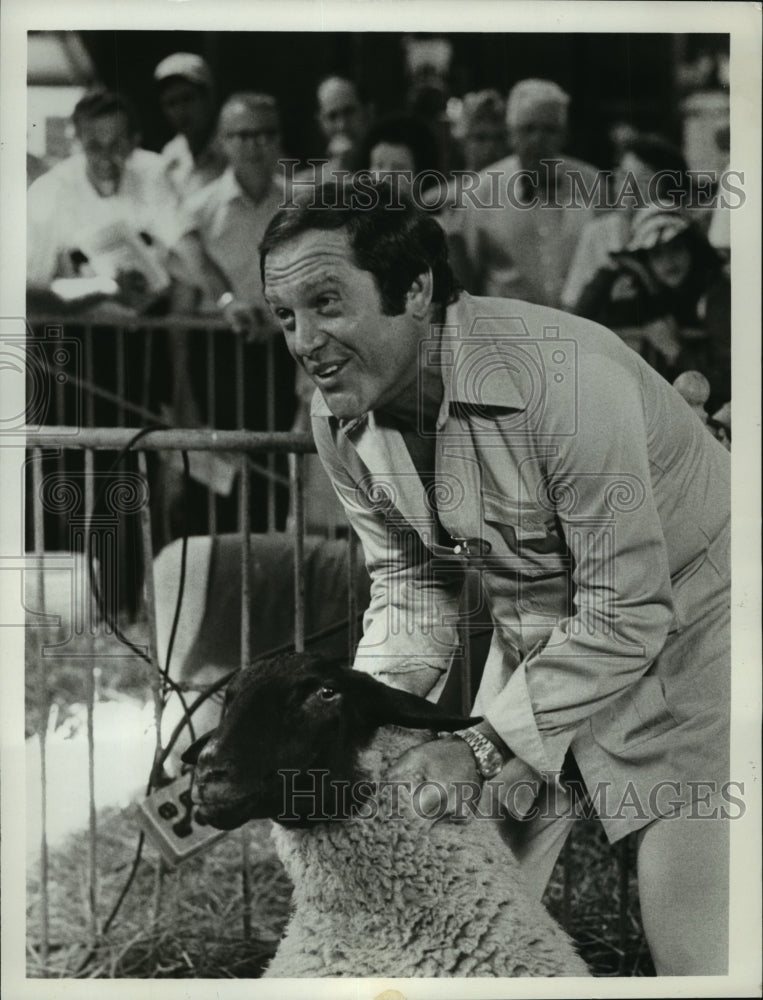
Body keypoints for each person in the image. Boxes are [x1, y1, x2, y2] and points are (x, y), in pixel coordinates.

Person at [259, 178, 731, 976]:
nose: (305, 341)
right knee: (452, 897)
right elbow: (412, 591)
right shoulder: (337, 418)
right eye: (284, 315)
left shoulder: (565, 378)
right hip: (547, 641)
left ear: (414, 288)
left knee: (693, 949)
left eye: (327, 304)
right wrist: (350, 726)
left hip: (694, 640)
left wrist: (478, 748)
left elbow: (627, 612)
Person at [27, 87, 179, 312]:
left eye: (116, 145)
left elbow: (184, 253)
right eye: (95, 146)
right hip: (82, 331)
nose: (106, 158)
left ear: (133, 141)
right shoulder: (50, 191)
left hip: (149, 328)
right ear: (77, 142)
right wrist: (103, 289)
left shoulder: (152, 172)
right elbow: (29, 288)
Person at [454, 78, 599, 308]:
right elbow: (467, 277)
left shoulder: (591, 183)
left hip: (579, 328)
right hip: (508, 333)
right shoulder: (481, 190)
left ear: (564, 135)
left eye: (549, 130)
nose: (538, 140)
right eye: (528, 129)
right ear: (511, 134)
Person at [153, 51, 226, 201]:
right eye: (171, 103)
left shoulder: (240, 147)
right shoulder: (170, 156)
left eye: (187, 99)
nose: (180, 112)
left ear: (208, 97)